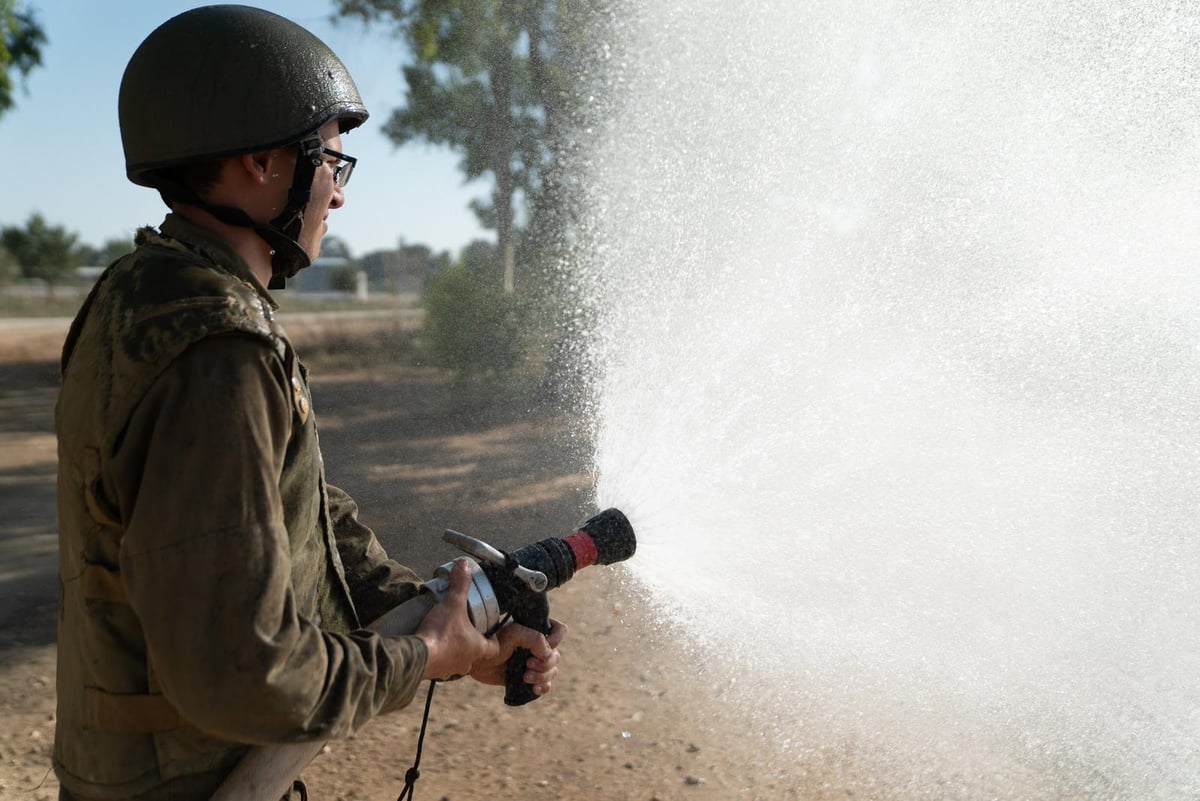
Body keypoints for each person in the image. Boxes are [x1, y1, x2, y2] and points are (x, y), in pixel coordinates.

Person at [52, 6, 565, 800]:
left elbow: (294, 518)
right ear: (262, 161)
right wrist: (424, 655)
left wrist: (449, 619)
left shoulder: (142, 297)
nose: (339, 192)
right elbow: (249, 676)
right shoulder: (215, 349)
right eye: (332, 160)